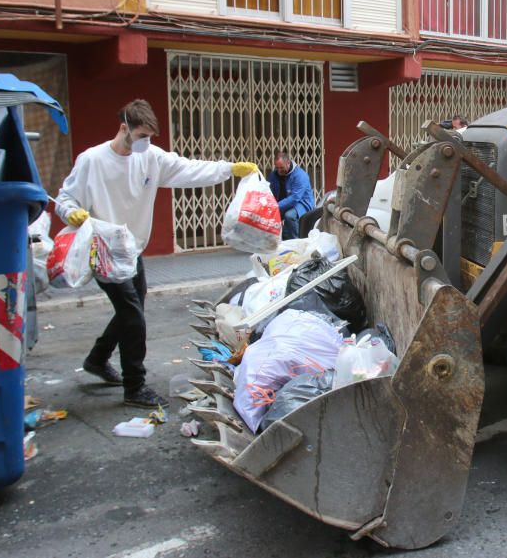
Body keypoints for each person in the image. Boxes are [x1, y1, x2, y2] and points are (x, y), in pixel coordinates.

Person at [55, 99, 259, 408]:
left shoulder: (150, 158)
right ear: (124, 128)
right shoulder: (92, 161)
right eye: (141, 136)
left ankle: (97, 359)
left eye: (150, 137)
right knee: (133, 316)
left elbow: (189, 169)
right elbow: (66, 198)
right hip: (104, 251)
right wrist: (71, 212)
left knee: (132, 309)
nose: (146, 143)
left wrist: (228, 169)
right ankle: (134, 386)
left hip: (132, 249)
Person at [267, 150, 315, 240]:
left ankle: (295, 241)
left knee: (289, 216)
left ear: (288, 163)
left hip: (302, 203)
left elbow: (295, 198)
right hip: (283, 203)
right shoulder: (274, 175)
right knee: (268, 215)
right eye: (277, 168)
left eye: (281, 167)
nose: (279, 170)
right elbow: (270, 191)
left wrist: (276, 206)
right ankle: (275, 243)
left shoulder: (300, 175)